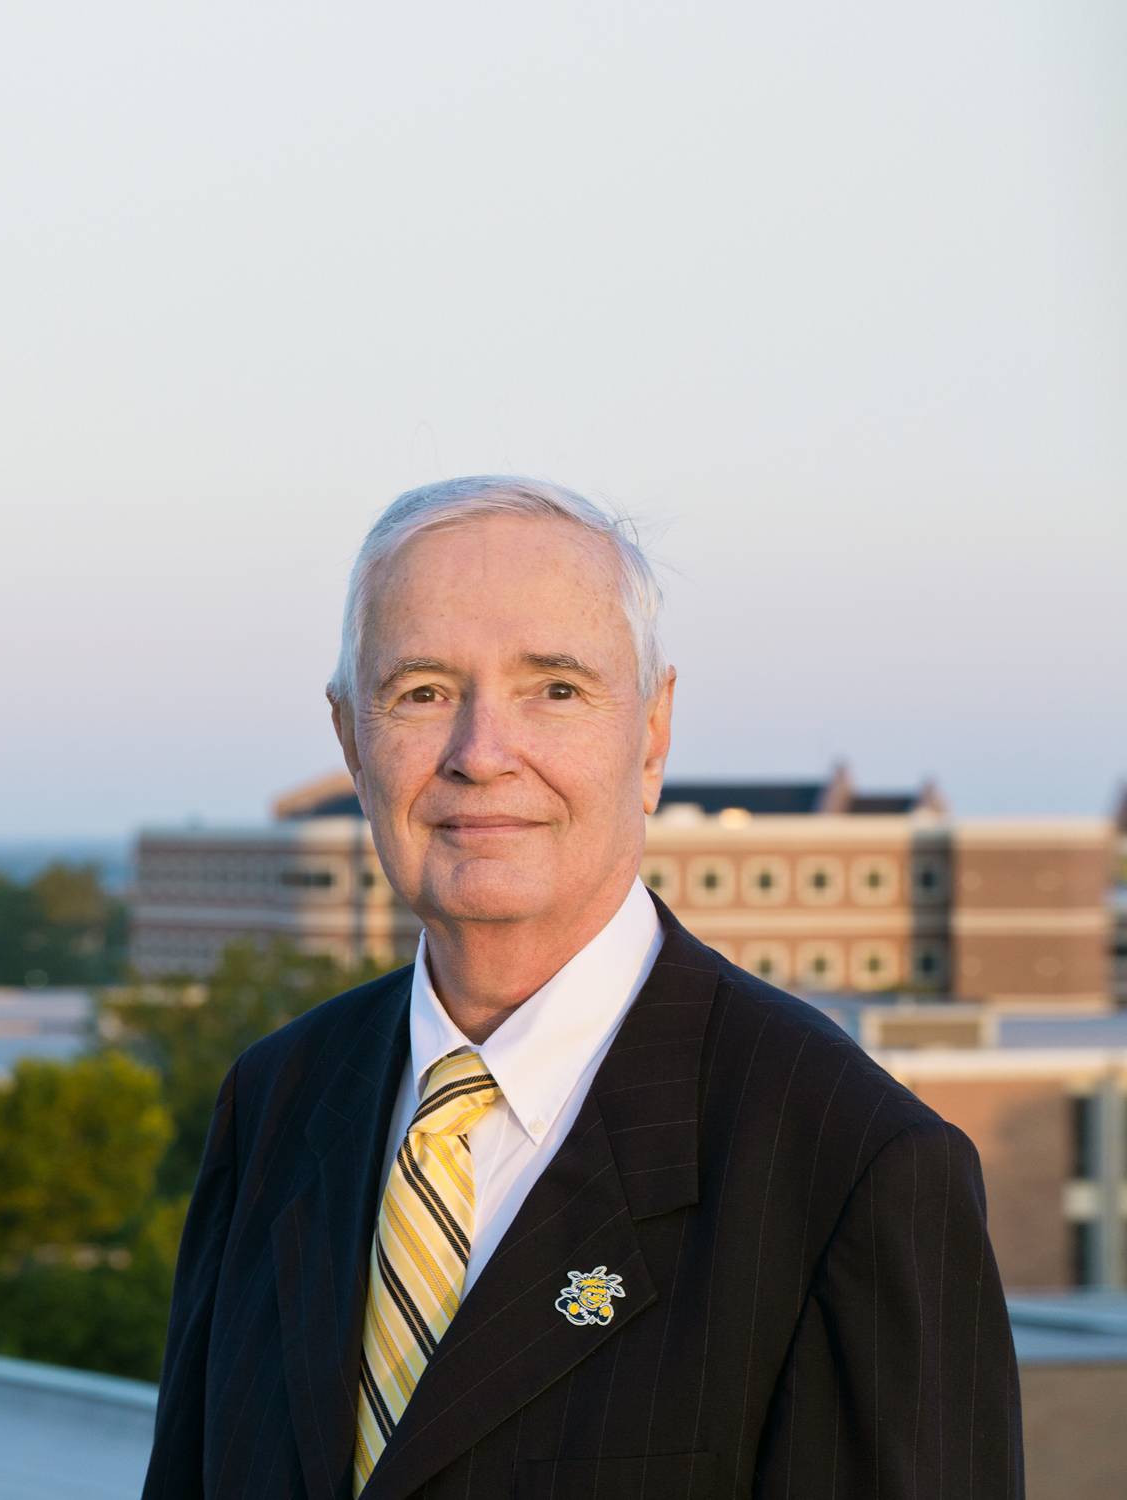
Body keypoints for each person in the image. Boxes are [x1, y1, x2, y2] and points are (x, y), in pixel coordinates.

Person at [140, 477, 1022, 1499]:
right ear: (348, 738)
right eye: (420, 691)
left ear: (650, 736)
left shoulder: (846, 1168)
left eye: (552, 690)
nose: (479, 754)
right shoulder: (277, 1103)